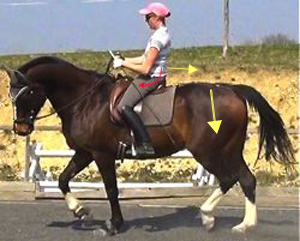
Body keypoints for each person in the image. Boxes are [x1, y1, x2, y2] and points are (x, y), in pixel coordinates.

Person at [113, 2, 171, 157]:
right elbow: (143, 58)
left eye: (148, 17)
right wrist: (125, 60)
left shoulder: (158, 38)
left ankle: (145, 144)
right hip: (153, 75)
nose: (146, 20)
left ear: (157, 17)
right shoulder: (159, 35)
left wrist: (123, 64)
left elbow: (145, 68)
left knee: (124, 106)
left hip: (152, 78)